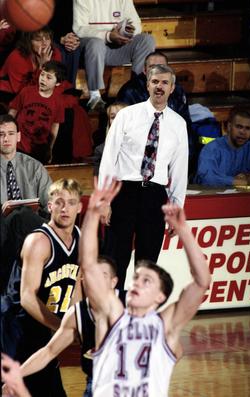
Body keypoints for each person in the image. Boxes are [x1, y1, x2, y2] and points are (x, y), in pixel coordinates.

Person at [79, 178, 211, 396]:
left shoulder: (165, 325)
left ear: (160, 296)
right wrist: (93, 214)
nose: (135, 283)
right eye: (136, 278)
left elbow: (201, 282)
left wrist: (184, 231)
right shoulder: (111, 313)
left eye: (146, 281)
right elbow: (89, 266)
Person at [99, 64, 189, 289]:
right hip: (124, 192)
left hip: (155, 196)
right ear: (148, 84)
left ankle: (140, 317)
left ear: (172, 88)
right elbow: (109, 158)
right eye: (155, 81)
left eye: (165, 83)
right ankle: (112, 313)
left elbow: (179, 170)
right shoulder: (126, 115)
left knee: (147, 265)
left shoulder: (179, 124)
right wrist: (104, 200)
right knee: (115, 260)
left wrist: (176, 208)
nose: (159, 86)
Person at [1, 178, 83, 397]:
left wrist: (78, 323)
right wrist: (60, 327)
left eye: (71, 202)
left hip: (42, 327)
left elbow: (75, 285)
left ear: (80, 206)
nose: (65, 208)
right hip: (15, 325)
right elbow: (27, 297)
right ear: (49, 206)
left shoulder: (80, 238)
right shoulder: (39, 241)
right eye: (59, 202)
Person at [6, 257, 123, 397]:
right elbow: (48, 352)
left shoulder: (135, 305)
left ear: (113, 282)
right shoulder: (77, 314)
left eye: (102, 275)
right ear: (83, 281)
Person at [0, 114, 52, 292]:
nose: (6, 138)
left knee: (23, 216)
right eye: (1, 134)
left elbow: (50, 203)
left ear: (19, 136)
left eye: (10, 133)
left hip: (31, 228)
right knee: (16, 217)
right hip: (2, 228)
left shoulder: (34, 166)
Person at [72, 0, 155, 110]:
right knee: (96, 43)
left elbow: (136, 23)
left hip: (117, 46)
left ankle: (138, 88)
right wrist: (108, 36)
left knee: (147, 40)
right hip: (92, 50)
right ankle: (95, 96)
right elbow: (79, 29)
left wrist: (125, 33)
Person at [193, 107, 250, 187]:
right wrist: (243, 182)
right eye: (239, 127)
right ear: (229, 127)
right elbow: (206, 178)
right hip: (215, 197)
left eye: (247, 128)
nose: (243, 132)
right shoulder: (211, 149)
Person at [8, 60, 66, 164]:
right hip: (19, 145)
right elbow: (12, 113)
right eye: (42, 74)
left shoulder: (59, 102)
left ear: (58, 83)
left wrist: (50, 148)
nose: (43, 79)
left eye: (49, 77)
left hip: (39, 149)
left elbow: (55, 125)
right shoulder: (26, 92)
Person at [0, 26, 62, 99]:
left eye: (47, 38)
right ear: (29, 41)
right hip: (9, 96)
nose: (44, 43)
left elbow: (56, 84)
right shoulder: (16, 57)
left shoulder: (55, 53)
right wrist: (43, 67)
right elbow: (23, 94)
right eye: (38, 39)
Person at [49, 0, 81, 85]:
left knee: (74, 51)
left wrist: (73, 40)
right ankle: (57, 92)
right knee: (59, 52)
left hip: (66, 37)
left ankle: (69, 92)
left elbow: (79, 24)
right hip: (47, 37)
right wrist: (60, 39)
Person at [91, 101, 128, 176]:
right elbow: (99, 180)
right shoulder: (101, 149)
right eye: (113, 117)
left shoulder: (144, 144)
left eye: (121, 116)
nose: (117, 120)